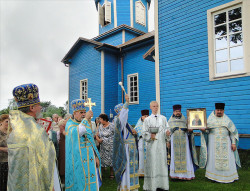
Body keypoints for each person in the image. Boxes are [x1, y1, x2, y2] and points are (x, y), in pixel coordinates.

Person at [8, 83, 60, 191]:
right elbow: (46, 161)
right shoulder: (36, 131)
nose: (41, 108)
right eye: (38, 105)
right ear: (32, 107)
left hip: (17, 184)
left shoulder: (14, 128)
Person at [199, 103, 241, 183]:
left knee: (228, 159)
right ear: (215, 110)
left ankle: (228, 176)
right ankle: (213, 177)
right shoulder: (210, 119)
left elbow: (232, 132)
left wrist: (233, 143)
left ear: (223, 111)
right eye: (218, 110)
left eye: (221, 110)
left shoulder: (227, 120)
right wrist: (203, 130)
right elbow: (207, 131)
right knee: (213, 159)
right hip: (213, 144)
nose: (219, 112)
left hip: (226, 143)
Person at [65, 99, 101, 190]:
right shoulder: (70, 125)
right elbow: (79, 132)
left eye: (84, 112)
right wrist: (85, 119)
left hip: (90, 159)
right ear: (75, 113)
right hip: (78, 161)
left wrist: (96, 156)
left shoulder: (84, 124)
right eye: (81, 112)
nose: (83, 114)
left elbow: (91, 141)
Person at [112, 94, 139, 191]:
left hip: (131, 149)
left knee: (131, 168)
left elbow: (133, 133)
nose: (126, 114)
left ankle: (132, 187)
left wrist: (136, 133)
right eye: (124, 113)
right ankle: (126, 186)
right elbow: (123, 117)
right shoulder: (119, 122)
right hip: (125, 150)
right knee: (126, 169)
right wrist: (127, 103)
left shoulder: (126, 124)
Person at [142, 101, 170, 191]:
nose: (155, 108)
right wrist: (150, 136)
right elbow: (144, 133)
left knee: (162, 164)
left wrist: (167, 133)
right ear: (150, 107)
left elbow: (167, 129)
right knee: (153, 163)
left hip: (161, 145)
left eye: (157, 106)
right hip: (152, 146)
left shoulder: (164, 118)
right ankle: (152, 185)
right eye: (154, 106)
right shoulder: (147, 120)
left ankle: (162, 184)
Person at [168, 105, 198, 180]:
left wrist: (189, 131)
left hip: (184, 142)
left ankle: (186, 175)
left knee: (186, 157)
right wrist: (171, 132)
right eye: (176, 111)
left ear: (180, 111)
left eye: (178, 111)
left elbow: (189, 131)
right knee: (174, 157)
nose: (177, 113)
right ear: (173, 112)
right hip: (174, 142)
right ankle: (175, 175)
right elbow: (167, 132)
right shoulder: (170, 121)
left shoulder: (185, 120)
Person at [96, 113, 115, 179]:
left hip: (111, 147)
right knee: (102, 160)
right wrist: (98, 139)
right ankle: (101, 174)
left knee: (111, 160)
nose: (99, 120)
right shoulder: (100, 126)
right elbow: (97, 134)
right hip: (103, 147)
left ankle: (111, 173)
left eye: (100, 119)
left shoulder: (112, 126)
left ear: (104, 119)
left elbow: (116, 135)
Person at [134, 109, 149, 176]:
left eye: (147, 116)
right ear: (142, 116)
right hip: (141, 141)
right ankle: (141, 171)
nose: (146, 117)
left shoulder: (150, 122)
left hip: (148, 141)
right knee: (141, 155)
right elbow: (135, 130)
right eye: (144, 116)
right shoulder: (139, 123)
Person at [0, 114, 9, 191]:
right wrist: (4, 149)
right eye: (6, 122)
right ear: (1, 122)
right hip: (1, 161)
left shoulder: (10, 133)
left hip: (9, 162)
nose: (8, 124)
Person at [58, 119, 67, 186]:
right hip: (63, 146)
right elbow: (66, 134)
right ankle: (62, 180)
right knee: (63, 161)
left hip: (65, 145)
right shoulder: (62, 127)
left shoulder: (65, 127)